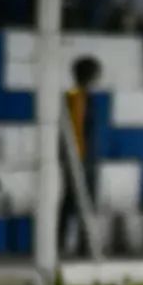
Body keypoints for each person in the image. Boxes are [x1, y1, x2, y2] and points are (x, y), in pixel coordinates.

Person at [58, 56, 101, 257]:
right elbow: (76, 129)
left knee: (77, 201)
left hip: (83, 155)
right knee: (75, 200)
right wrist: (76, 158)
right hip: (79, 157)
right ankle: (69, 243)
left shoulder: (81, 96)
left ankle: (81, 244)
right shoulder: (76, 96)